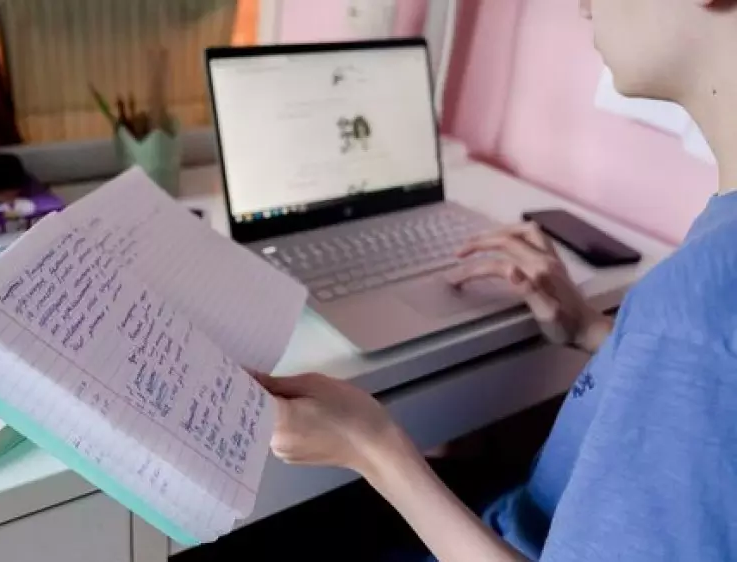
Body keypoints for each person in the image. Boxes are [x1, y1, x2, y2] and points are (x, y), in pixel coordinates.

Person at [254, 0, 737, 560]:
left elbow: (702, 356)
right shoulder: (705, 286)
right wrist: (590, 330)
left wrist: (370, 446)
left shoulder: (695, 315)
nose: (582, 6)